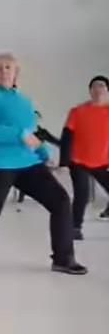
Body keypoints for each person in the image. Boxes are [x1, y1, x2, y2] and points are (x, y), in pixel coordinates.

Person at [0, 53, 87, 274]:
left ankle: (63, 259)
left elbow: (31, 134)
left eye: (8, 67)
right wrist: (19, 134)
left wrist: (43, 153)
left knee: (61, 201)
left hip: (28, 164)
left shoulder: (24, 102)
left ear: (16, 73)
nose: (3, 71)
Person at [59, 76, 109, 239]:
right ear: (90, 91)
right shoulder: (78, 111)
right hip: (78, 161)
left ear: (107, 91)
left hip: (102, 162)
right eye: (94, 86)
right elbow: (67, 136)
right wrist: (64, 162)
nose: (98, 89)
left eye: (101, 86)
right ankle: (75, 228)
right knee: (82, 195)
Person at [16, 110, 60, 210]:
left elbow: (55, 142)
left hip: (41, 159)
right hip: (27, 160)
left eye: (36, 118)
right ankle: (23, 194)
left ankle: (47, 194)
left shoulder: (42, 132)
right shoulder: (24, 132)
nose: (34, 120)